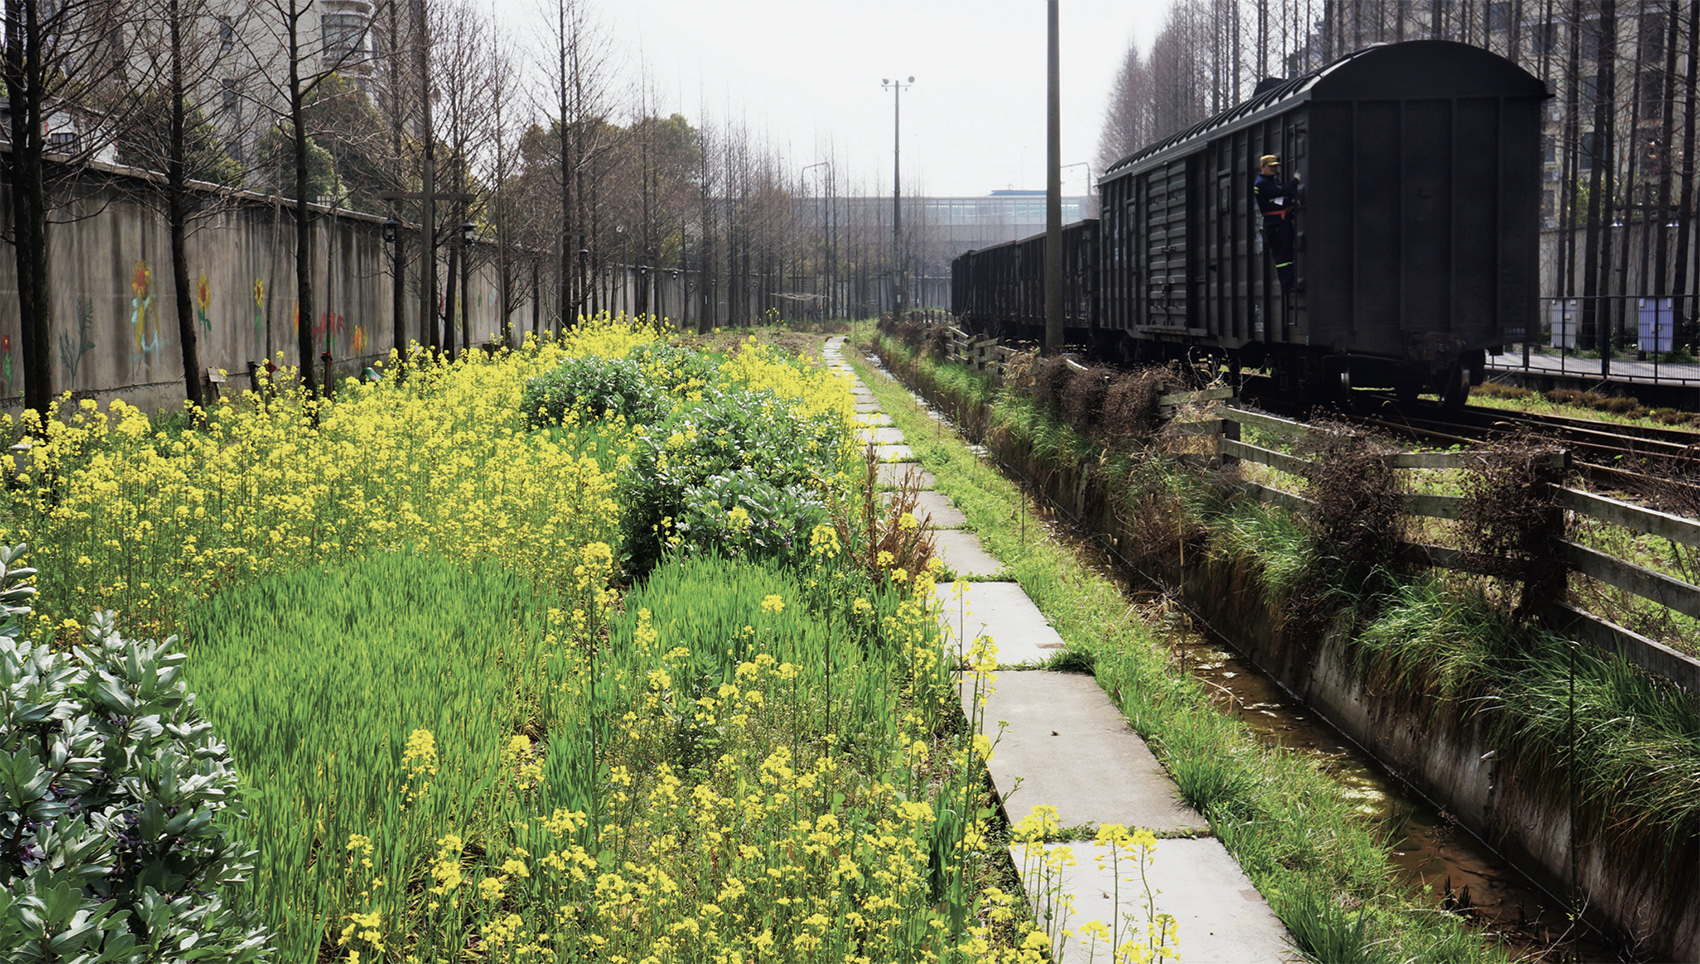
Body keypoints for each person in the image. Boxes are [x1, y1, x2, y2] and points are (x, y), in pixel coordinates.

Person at [1253, 154, 1300, 293]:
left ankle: (1290, 282)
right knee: (1282, 255)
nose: (1274, 169)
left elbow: (1282, 195)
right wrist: (1295, 181)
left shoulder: (1271, 181)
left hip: (1280, 222)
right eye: (1271, 166)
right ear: (1262, 167)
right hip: (1275, 225)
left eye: (1275, 166)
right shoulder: (1262, 183)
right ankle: (1287, 285)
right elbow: (1282, 191)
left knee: (1287, 252)